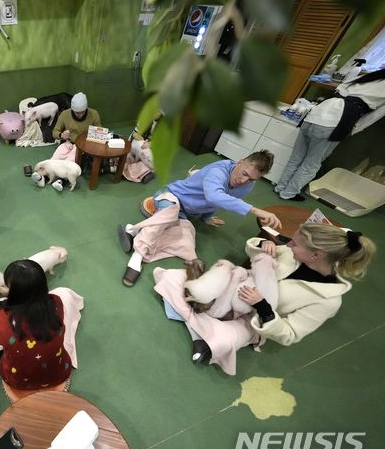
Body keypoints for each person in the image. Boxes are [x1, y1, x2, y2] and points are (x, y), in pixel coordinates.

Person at [152, 224, 375, 375]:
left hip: (252, 321)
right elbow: (255, 255)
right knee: (172, 277)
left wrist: (263, 307)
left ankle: (195, 321)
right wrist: (262, 246)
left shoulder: (328, 300)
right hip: (233, 289)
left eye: (295, 244)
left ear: (316, 255)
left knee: (223, 340)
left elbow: (289, 335)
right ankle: (200, 333)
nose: (288, 245)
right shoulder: (293, 254)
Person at [117, 150, 282, 286]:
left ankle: (133, 231)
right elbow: (214, 196)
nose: (244, 180)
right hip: (171, 196)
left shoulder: (247, 185)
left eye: (251, 179)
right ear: (239, 162)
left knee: (187, 246)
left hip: (185, 212)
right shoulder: (218, 171)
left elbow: (218, 201)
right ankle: (137, 256)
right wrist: (255, 210)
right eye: (244, 173)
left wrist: (206, 217)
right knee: (170, 212)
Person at [275, 70, 385, 201]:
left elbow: (341, 87)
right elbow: (374, 116)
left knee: (296, 158)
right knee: (311, 164)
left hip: (315, 113)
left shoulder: (370, 76)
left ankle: (280, 187)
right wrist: (353, 129)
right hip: (335, 122)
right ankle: (288, 194)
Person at [0, 260, 79, 390]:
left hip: (17, 380)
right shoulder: (56, 302)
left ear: (14, 291)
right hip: (58, 373)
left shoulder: (0, 319)